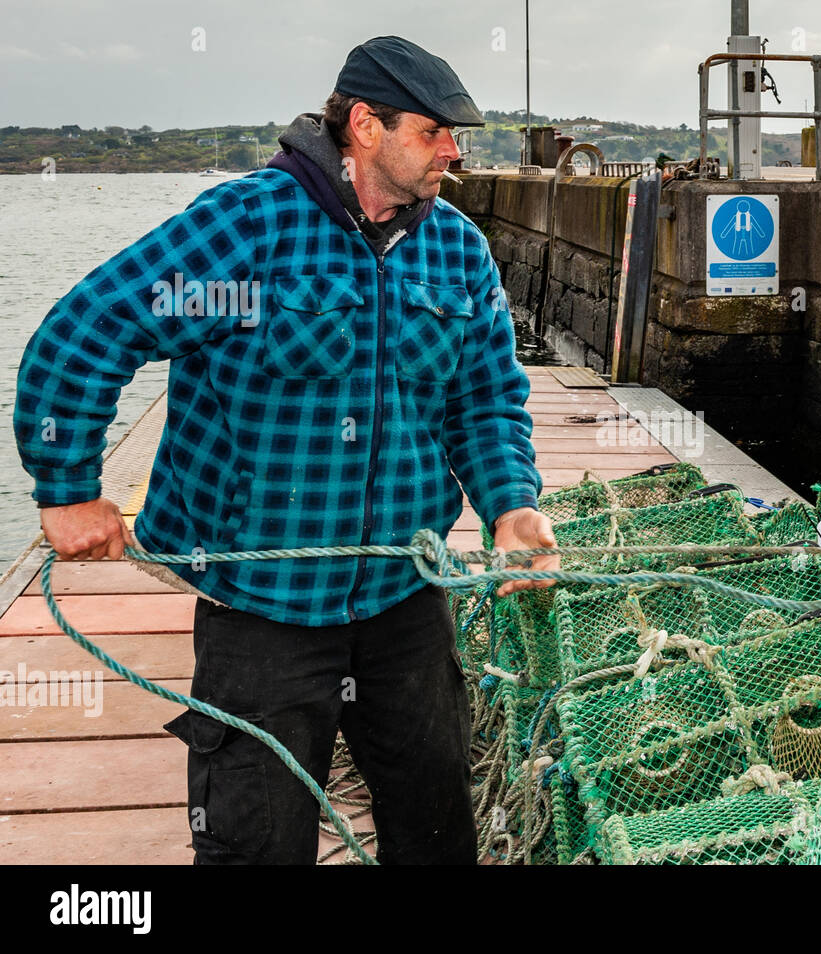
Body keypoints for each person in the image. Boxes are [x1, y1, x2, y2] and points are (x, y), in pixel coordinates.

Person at [13, 35, 558, 865]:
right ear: (366, 126)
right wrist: (68, 487)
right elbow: (87, 331)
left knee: (438, 825)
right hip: (259, 604)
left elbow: (483, 398)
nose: (455, 150)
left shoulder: (457, 247)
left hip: (403, 595)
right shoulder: (245, 229)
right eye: (435, 131)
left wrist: (511, 505)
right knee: (255, 844)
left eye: (458, 134)